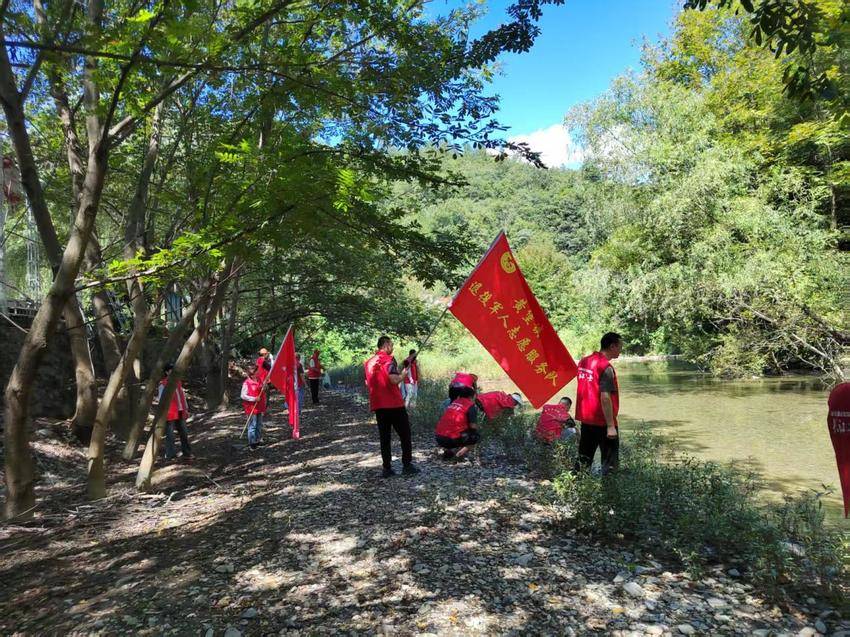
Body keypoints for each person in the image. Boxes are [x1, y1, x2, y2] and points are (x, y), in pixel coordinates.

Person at [364, 335, 419, 478]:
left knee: (385, 437)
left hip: (378, 404)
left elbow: (367, 383)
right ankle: (407, 465)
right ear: (386, 345)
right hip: (393, 403)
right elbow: (394, 379)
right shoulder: (388, 360)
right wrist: (403, 374)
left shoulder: (369, 362)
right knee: (405, 434)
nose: (392, 347)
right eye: (392, 345)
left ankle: (387, 468)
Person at [575, 332, 623, 474]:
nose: (621, 350)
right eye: (620, 347)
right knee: (610, 464)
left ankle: (577, 485)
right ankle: (610, 488)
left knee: (584, 458)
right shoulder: (605, 367)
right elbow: (605, 397)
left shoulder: (584, 361)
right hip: (603, 422)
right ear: (612, 346)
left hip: (586, 419)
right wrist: (611, 426)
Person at [435, 386, 480, 461]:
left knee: (459, 431)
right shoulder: (470, 406)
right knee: (476, 436)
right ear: (471, 396)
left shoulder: (454, 402)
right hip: (451, 439)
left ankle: (449, 451)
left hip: (438, 438)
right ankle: (457, 456)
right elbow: (473, 426)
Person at [158, 363, 192, 461]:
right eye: (171, 370)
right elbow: (161, 399)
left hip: (180, 410)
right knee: (170, 435)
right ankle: (170, 455)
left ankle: (187, 452)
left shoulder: (178, 382)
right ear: (167, 372)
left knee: (184, 433)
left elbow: (182, 396)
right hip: (170, 412)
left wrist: (186, 408)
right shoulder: (163, 384)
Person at [241, 364, 268, 450]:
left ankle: (258, 440)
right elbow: (243, 395)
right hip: (251, 407)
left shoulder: (259, 379)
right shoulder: (246, 383)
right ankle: (252, 443)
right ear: (252, 373)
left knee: (259, 424)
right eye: (256, 371)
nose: (258, 372)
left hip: (259, 406)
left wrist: (264, 387)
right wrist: (254, 399)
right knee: (253, 425)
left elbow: (262, 389)